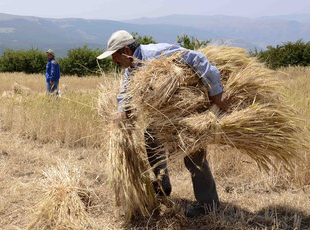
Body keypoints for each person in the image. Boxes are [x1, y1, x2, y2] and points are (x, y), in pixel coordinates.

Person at [97, 30, 228, 218]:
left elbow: (197, 58)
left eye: (115, 56)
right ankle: (161, 186)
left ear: (126, 50)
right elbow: (126, 88)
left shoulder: (156, 54)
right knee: (150, 138)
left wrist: (215, 91)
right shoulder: (134, 66)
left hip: (185, 109)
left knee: (193, 155)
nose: (114, 61)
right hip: (165, 115)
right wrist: (121, 110)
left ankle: (208, 206)